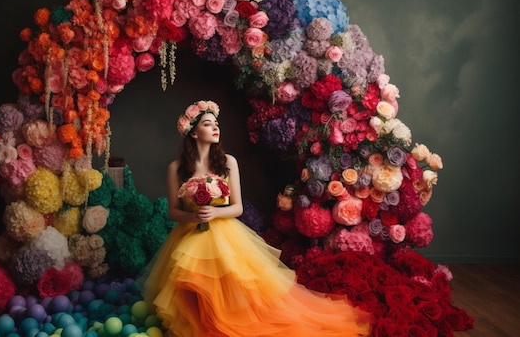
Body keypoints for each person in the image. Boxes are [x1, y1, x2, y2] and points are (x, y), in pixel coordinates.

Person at [137, 99, 370, 337]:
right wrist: (193, 215)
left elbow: (237, 207)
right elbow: (173, 211)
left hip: (224, 233)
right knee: (190, 277)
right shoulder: (176, 168)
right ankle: (201, 326)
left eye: (216, 123)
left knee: (235, 288)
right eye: (208, 124)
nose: (216, 128)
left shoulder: (228, 162)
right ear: (194, 133)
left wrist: (215, 211)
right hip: (190, 232)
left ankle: (227, 322)